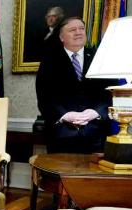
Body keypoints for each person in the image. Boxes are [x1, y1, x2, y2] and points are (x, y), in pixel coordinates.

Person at [36, 17, 116, 153]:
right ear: (62, 37)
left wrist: (95, 112)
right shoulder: (49, 61)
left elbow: (111, 93)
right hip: (62, 134)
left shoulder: (100, 58)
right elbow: (45, 97)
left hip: (97, 133)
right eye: (72, 30)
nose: (78, 32)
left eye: (81, 29)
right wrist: (66, 115)